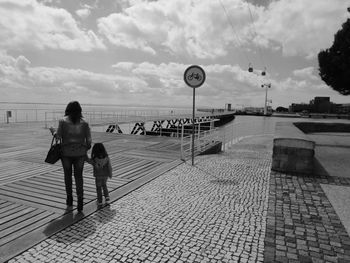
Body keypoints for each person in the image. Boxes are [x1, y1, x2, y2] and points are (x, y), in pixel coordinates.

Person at [50, 101, 91, 212]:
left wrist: (53, 131)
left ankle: (69, 199)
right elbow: (89, 143)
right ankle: (80, 201)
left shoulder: (62, 121)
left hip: (66, 154)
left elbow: (58, 137)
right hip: (80, 154)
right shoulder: (85, 123)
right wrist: (83, 149)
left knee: (67, 176)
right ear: (80, 110)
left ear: (67, 109)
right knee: (79, 177)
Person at [86, 143, 112, 208]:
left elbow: (88, 161)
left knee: (98, 188)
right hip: (105, 175)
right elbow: (109, 167)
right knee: (104, 186)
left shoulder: (94, 159)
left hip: (98, 176)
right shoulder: (107, 158)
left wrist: (85, 154)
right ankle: (107, 198)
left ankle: (100, 201)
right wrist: (110, 174)